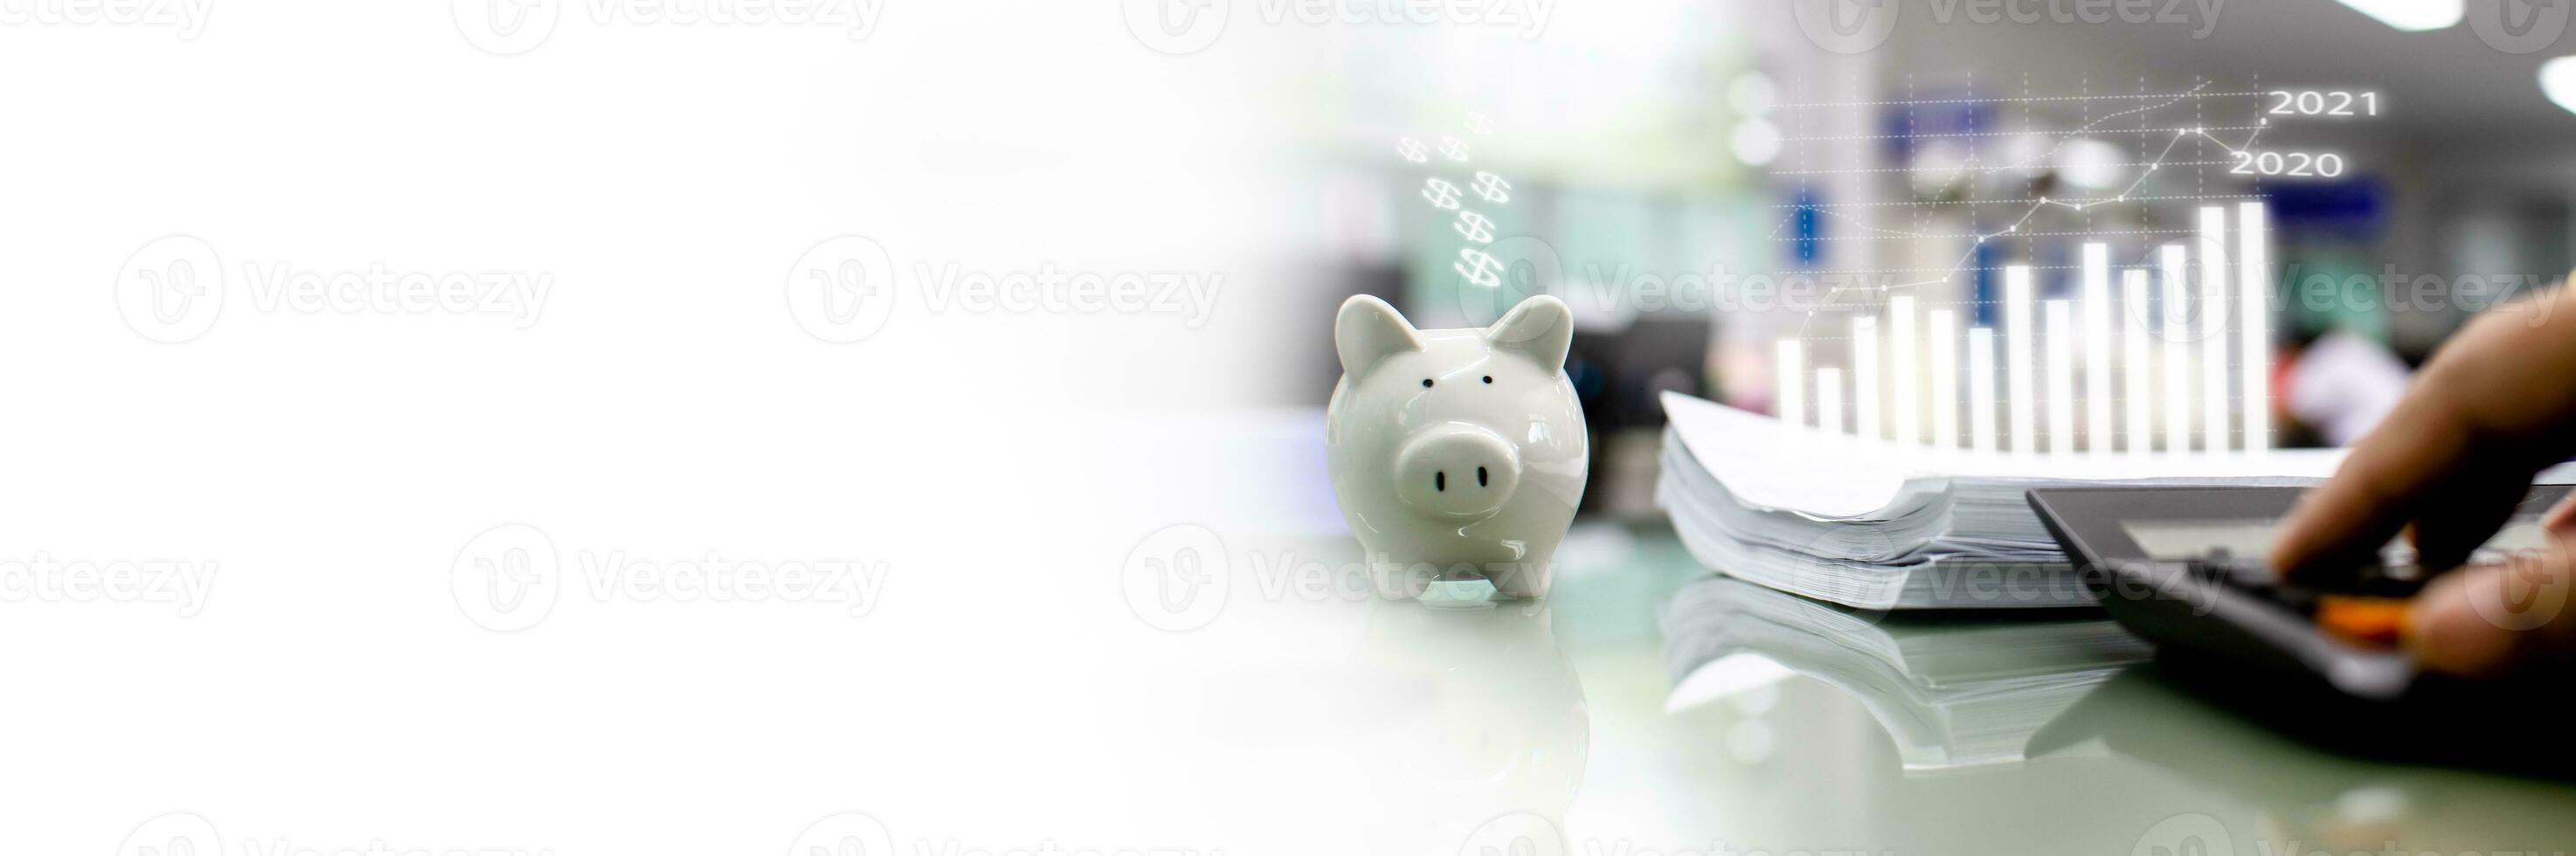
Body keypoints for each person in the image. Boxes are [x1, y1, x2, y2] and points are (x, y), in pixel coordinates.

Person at [2271, 281, 2576, 678]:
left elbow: (2291, 413)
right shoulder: (2351, 348)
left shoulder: (2323, 363)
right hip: (2416, 442)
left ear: (2293, 349)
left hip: (2387, 448)